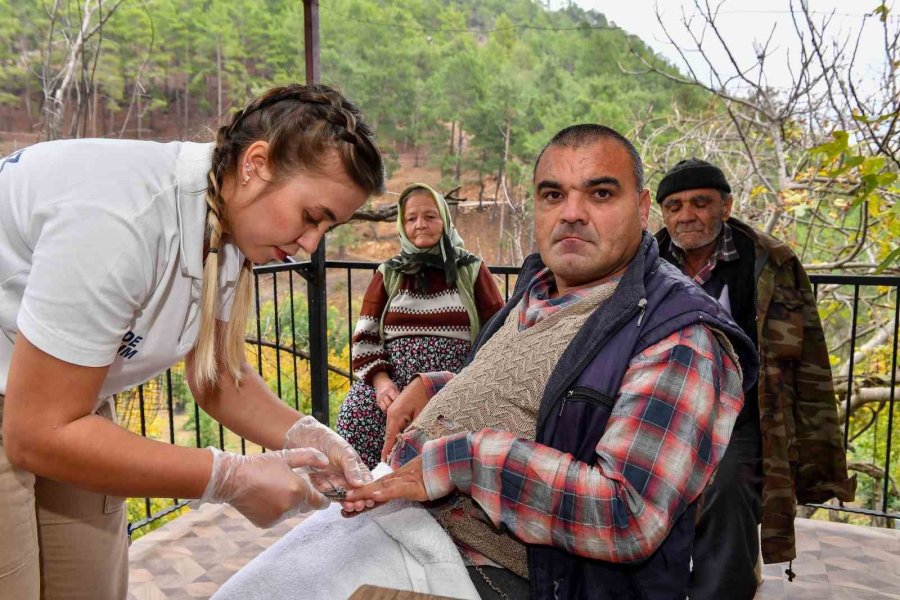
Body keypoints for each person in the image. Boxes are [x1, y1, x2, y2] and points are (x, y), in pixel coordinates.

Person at [0, 83, 385, 600]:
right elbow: (37, 432)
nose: (310, 244)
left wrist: (308, 435)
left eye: (327, 229)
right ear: (256, 164)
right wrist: (228, 477)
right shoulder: (121, 220)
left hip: (69, 402)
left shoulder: (224, 221)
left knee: (89, 583)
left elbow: (218, 378)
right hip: (39, 410)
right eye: (311, 217)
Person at [346, 124, 760, 600]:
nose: (572, 213)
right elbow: (546, 389)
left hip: (508, 575)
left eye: (600, 194)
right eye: (553, 195)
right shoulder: (539, 287)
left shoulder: (679, 333)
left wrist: (465, 460)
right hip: (416, 530)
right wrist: (439, 387)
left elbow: (627, 516)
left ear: (642, 208)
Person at [653, 158, 856, 600]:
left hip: (742, 414)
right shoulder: (645, 262)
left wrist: (817, 446)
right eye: (674, 206)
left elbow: (809, 357)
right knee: (645, 494)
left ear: (726, 207)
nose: (686, 215)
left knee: (728, 490)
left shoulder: (769, 263)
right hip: (661, 410)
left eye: (700, 203)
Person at [337, 183, 504, 468]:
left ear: (444, 220)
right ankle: (367, 487)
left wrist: (470, 381)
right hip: (394, 380)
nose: (420, 225)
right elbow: (366, 337)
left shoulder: (470, 269)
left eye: (430, 216)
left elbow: (498, 330)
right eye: (411, 218)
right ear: (402, 225)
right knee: (355, 414)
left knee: (450, 440)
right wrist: (382, 383)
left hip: (453, 382)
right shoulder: (390, 273)